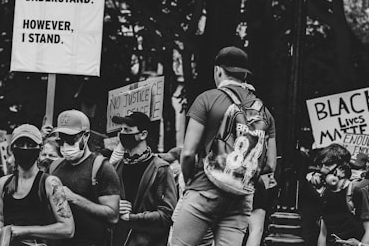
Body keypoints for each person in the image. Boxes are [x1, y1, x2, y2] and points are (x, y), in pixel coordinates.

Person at [171, 46, 277, 246]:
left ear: (218, 70)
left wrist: (189, 182)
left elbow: (187, 153)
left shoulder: (207, 99)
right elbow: (271, 164)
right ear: (245, 74)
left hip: (204, 189)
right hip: (241, 196)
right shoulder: (264, 112)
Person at [0, 124, 74, 246]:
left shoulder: (50, 183)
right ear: (11, 148)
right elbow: (1, 219)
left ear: (40, 149)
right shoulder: (3, 184)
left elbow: (68, 229)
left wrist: (22, 231)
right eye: (20, 144)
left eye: (31, 145)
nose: (25, 149)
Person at [49, 109, 121, 246]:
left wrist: (74, 198)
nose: (65, 145)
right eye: (61, 140)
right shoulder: (55, 166)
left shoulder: (101, 167)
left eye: (70, 139)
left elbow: (113, 216)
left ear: (86, 136)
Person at [111, 112, 177, 246]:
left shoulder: (160, 169)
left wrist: (131, 218)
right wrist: (113, 206)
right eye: (121, 130)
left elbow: (166, 215)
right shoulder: (114, 167)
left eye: (128, 130)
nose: (122, 134)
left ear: (143, 135)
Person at [313, 144, 369, 246]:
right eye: (321, 165)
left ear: (342, 169)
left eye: (327, 165)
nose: (322, 170)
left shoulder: (358, 191)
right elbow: (323, 233)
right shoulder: (326, 193)